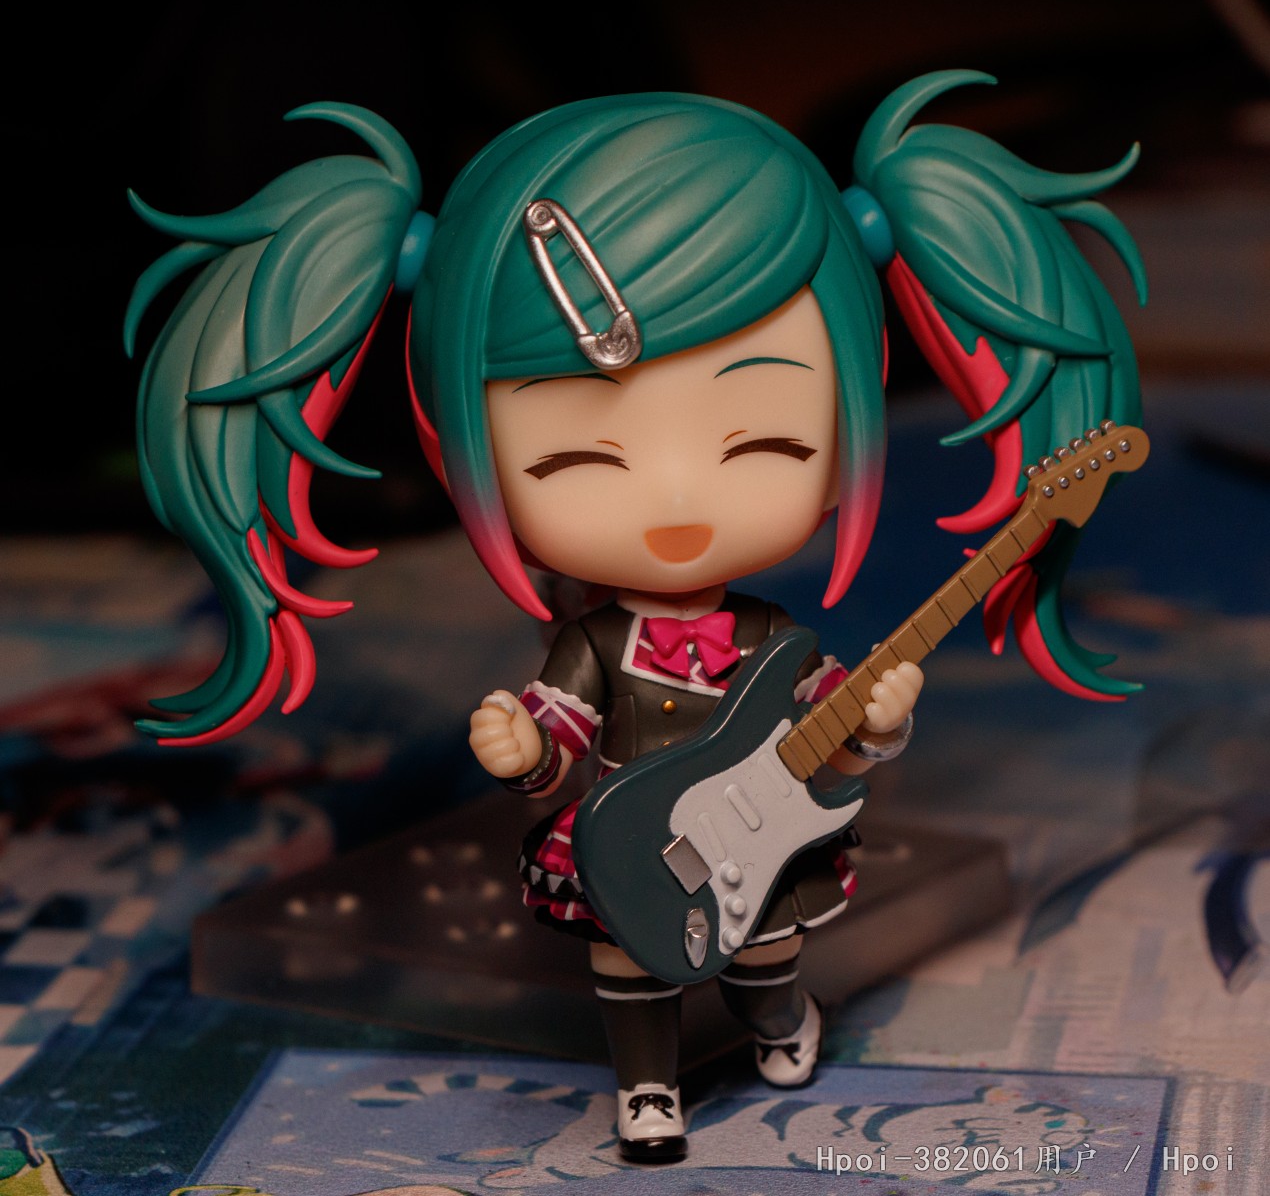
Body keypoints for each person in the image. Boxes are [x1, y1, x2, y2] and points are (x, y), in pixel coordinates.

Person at [126, 72, 1145, 1161]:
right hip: (631, 828)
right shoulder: (593, 645)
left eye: (763, 443)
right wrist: (526, 753)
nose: (674, 500)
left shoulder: (772, 640)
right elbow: (560, 742)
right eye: (575, 459)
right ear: (459, 454)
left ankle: (779, 1019)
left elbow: (828, 759)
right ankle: (648, 1088)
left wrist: (876, 726)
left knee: (767, 953)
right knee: (625, 961)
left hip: (764, 836)